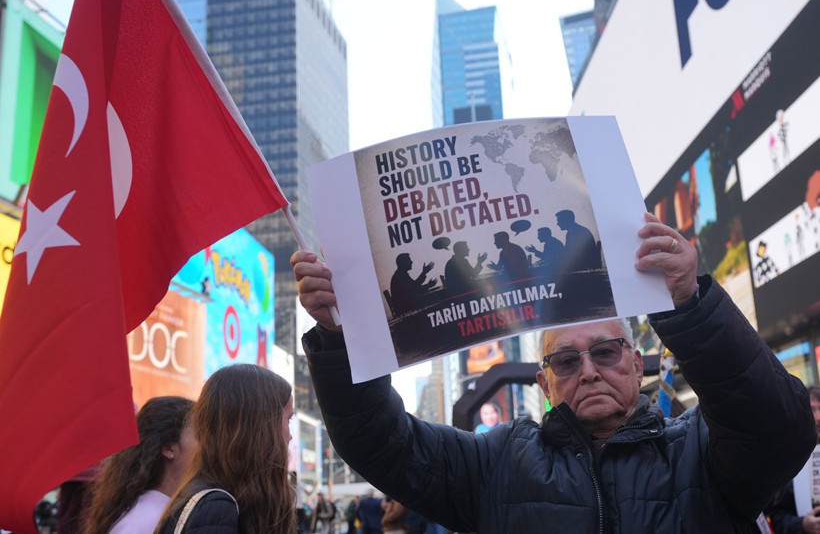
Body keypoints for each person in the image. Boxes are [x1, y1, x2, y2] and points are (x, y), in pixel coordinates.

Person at [291, 212, 816, 532]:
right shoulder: (497, 463)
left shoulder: (700, 450)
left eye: (606, 352)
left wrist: (690, 303)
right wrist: (340, 339)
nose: (588, 371)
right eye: (566, 360)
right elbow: (381, 444)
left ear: (637, 364)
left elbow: (782, 429)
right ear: (543, 384)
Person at [156, 364, 295, 533]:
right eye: (288, 420)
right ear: (261, 427)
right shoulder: (216, 507)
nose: (290, 435)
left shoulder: (215, 497)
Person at [83, 396, 195, 534]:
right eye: (200, 435)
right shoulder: (144, 520)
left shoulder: (159, 511)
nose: (207, 446)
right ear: (169, 449)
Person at [765, 386, 820, 534]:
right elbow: (777, 516)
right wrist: (801, 524)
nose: (818, 417)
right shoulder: (790, 461)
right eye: (812, 410)